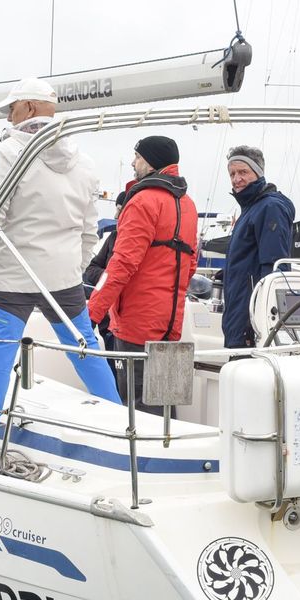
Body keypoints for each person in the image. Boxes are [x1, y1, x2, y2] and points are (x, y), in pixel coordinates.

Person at [0, 77, 120, 460]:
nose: (7, 115)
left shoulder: (11, 152)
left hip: (14, 275)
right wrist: (73, 267)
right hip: (63, 278)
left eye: (12, 107)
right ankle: (120, 427)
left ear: (31, 108)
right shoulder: (83, 163)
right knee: (85, 350)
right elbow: (89, 230)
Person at [88, 135, 199, 412]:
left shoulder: (142, 202)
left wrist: (92, 313)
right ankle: (170, 452)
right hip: (171, 323)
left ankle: (136, 457)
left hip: (136, 324)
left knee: (136, 410)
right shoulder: (188, 205)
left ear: (149, 162)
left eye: (136, 157)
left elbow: (121, 264)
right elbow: (191, 263)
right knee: (165, 406)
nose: (133, 162)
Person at [220, 144, 295, 348]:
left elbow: (275, 269)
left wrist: (261, 322)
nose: (236, 179)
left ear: (258, 173)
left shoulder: (269, 207)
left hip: (251, 322)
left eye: (243, 172)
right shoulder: (251, 208)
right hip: (239, 316)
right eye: (232, 174)